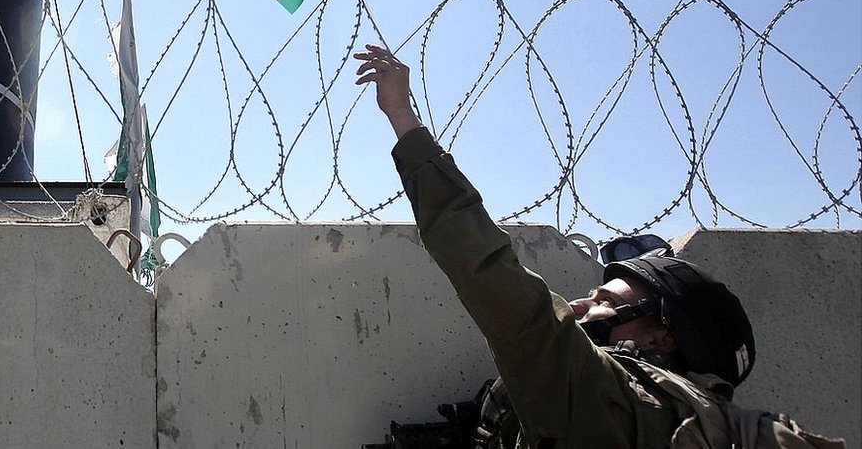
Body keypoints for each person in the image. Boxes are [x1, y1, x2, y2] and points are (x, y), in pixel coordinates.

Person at [353, 44, 844, 449]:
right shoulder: (721, 425)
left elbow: (487, 269)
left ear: (662, 338)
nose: (583, 301)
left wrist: (402, 117)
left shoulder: (605, 395)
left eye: (608, 301)